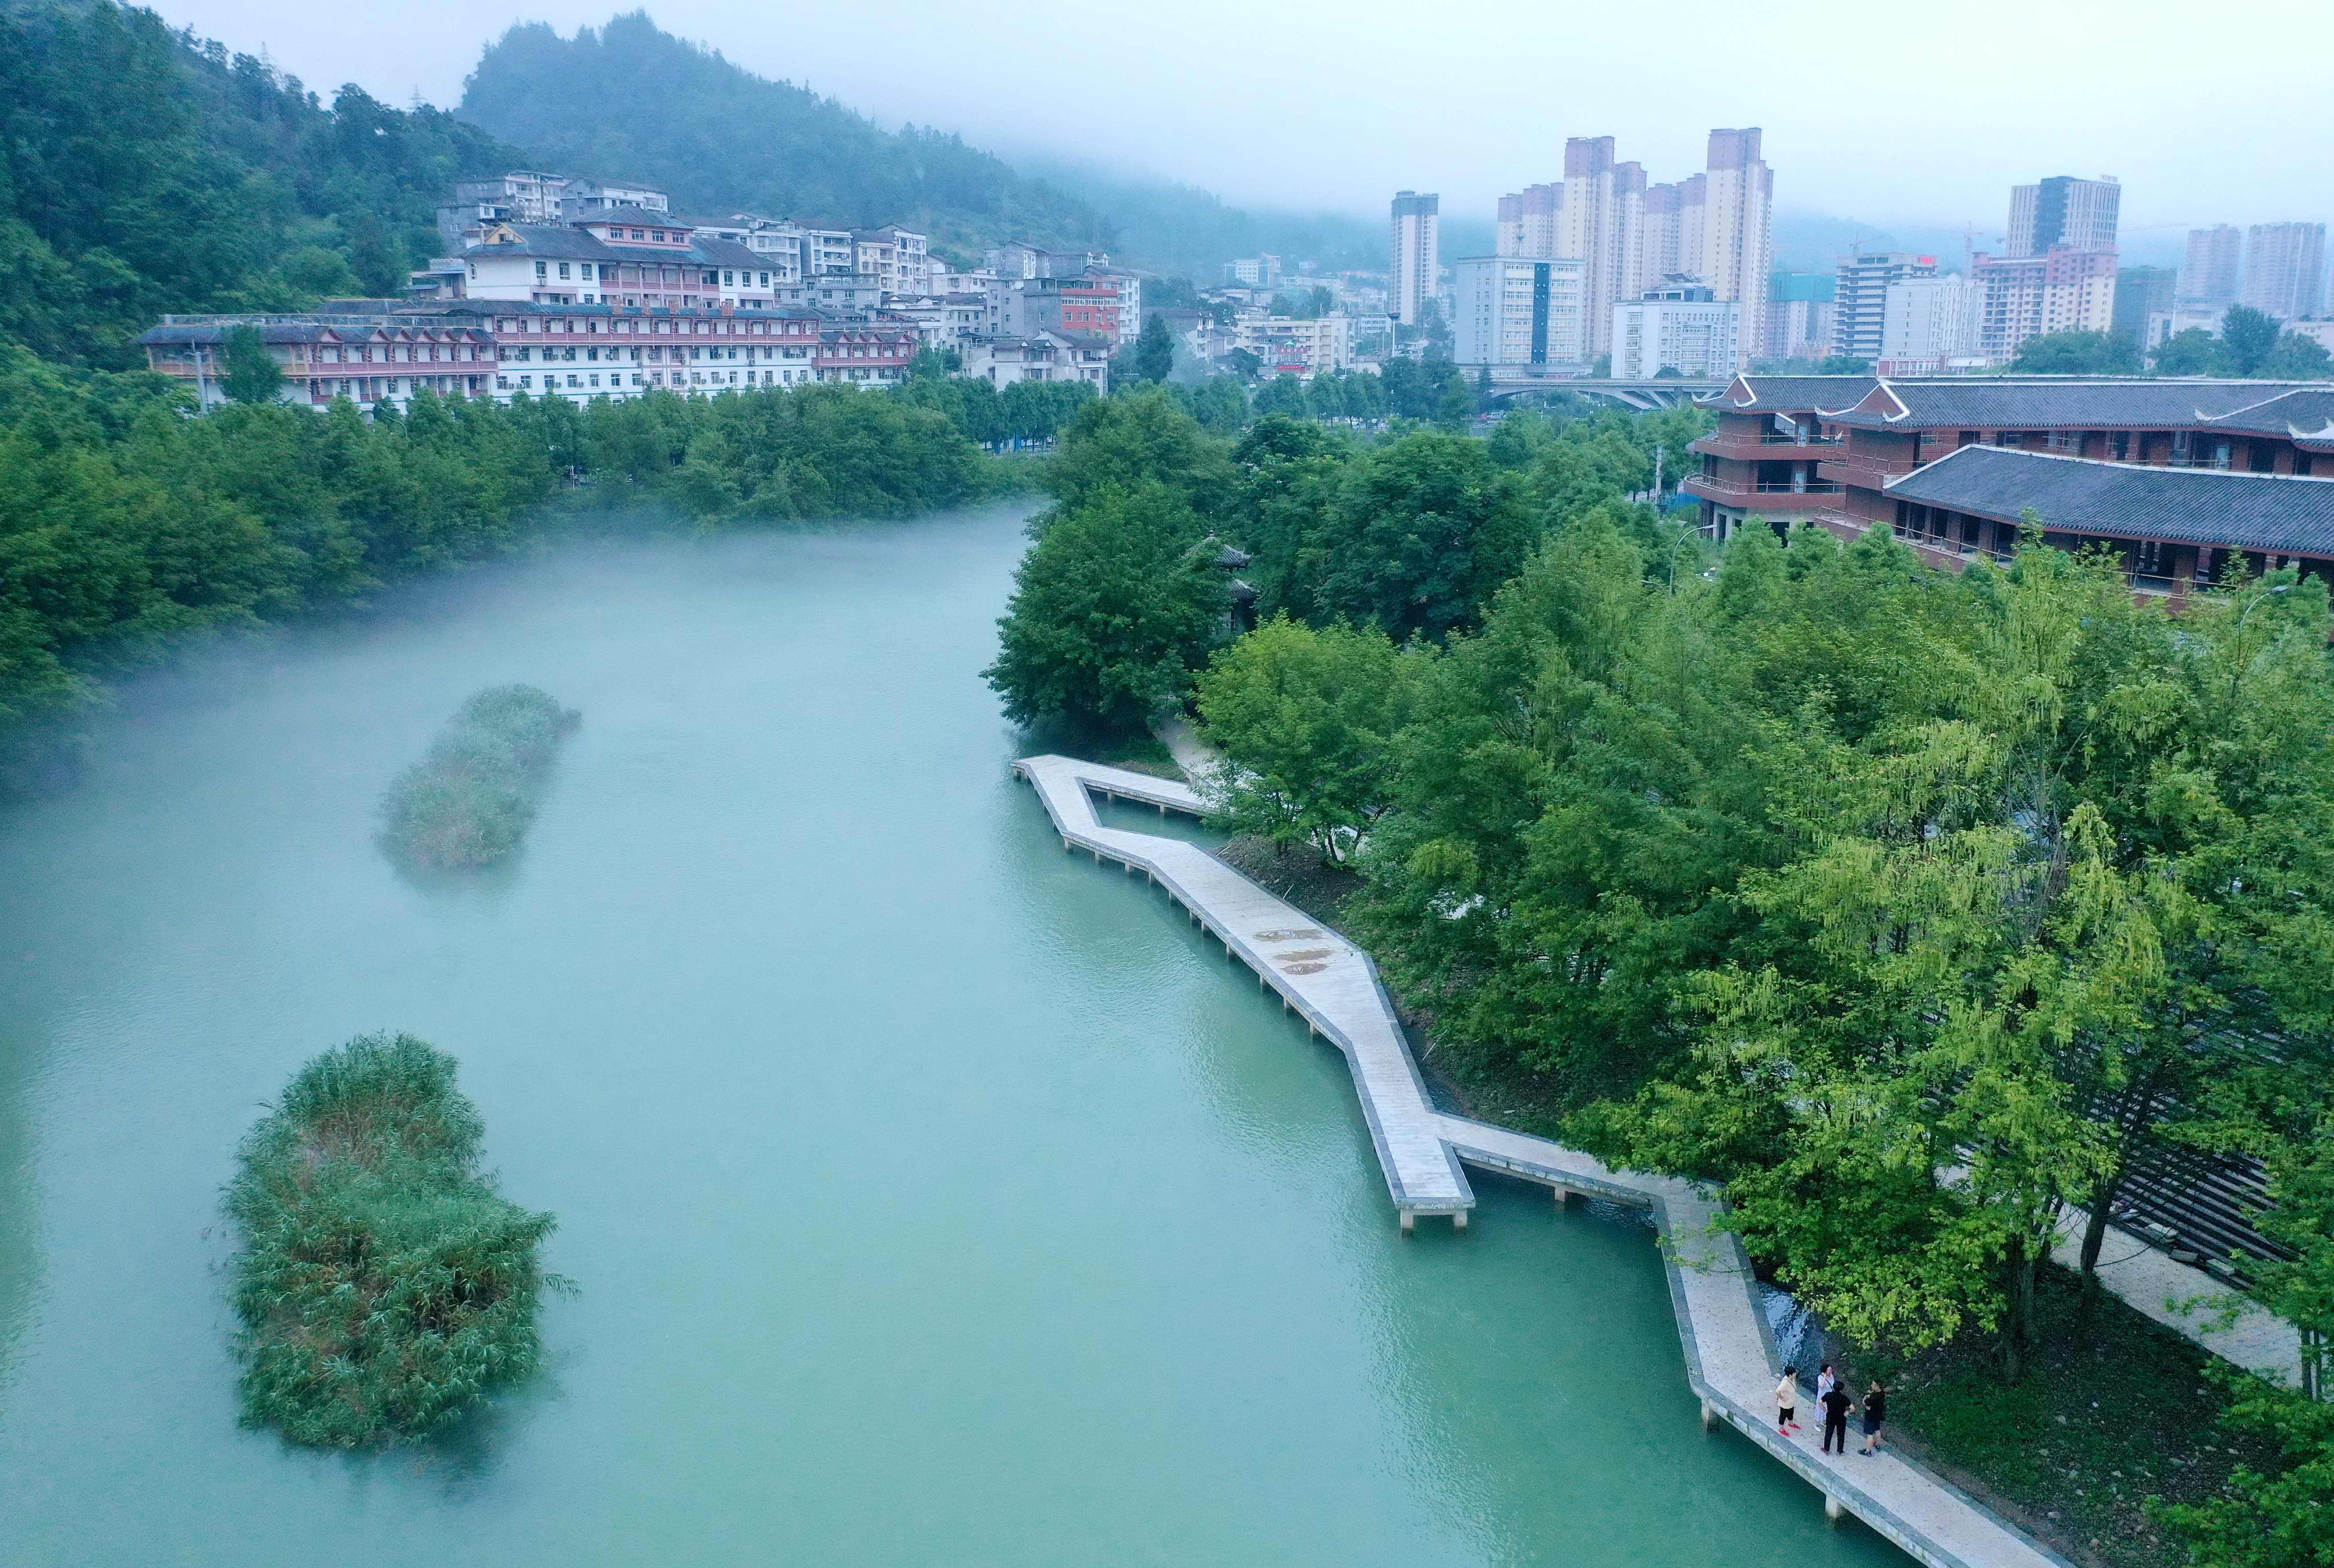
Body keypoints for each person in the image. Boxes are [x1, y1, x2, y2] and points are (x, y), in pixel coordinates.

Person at [1820, 1377, 1855, 1455]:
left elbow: (1820, 1402)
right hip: (1841, 1418)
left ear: (1833, 1387)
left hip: (1831, 1416)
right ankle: (1840, 1450)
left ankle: (1826, 1449)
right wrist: (1848, 1412)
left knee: (1829, 1432)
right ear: (1841, 1390)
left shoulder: (1828, 1395)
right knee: (1841, 1434)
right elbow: (1853, 1408)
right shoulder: (1844, 1398)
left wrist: (1824, 1410)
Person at [1859, 1380, 1888, 1455]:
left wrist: (1865, 1398)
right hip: (1878, 1416)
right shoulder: (1882, 1393)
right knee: (1877, 1430)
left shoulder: (1874, 1397)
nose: (1871, 1385)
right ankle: (1878, 1445)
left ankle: (1868, 1451)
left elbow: (1865, 1403)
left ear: (1877, 1386)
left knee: (1870, 1434)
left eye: (1873, 1384)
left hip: (1870, 1416)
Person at [1775, 1366, 1800, 1435]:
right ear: (1790, 1375)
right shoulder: (1785, 1383)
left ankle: (1791, 1424)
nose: (1796, 1374)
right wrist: (1782, 1398)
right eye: (1794, 1373)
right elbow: (1777, 1391)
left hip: (1790, 1402)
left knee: (1791, 1413)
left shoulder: (1792, 1379)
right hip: (1785, 1404)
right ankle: (1781, 1429)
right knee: (1783, 1416)